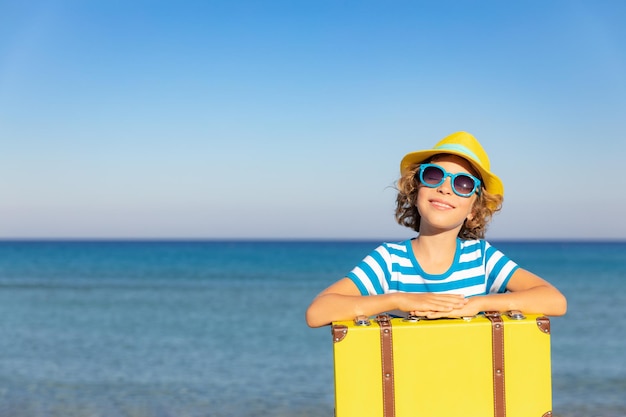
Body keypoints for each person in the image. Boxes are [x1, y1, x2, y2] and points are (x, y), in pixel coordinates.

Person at [306, 131, 567, 328]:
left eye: (463, 184)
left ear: (473, 211)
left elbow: (554, 300)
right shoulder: (389, 261)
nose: (445, 187)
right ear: (415, 188)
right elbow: (318, 312)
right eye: (433, 175)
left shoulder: (482, 258)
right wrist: (399, 300)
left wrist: (475, 305)